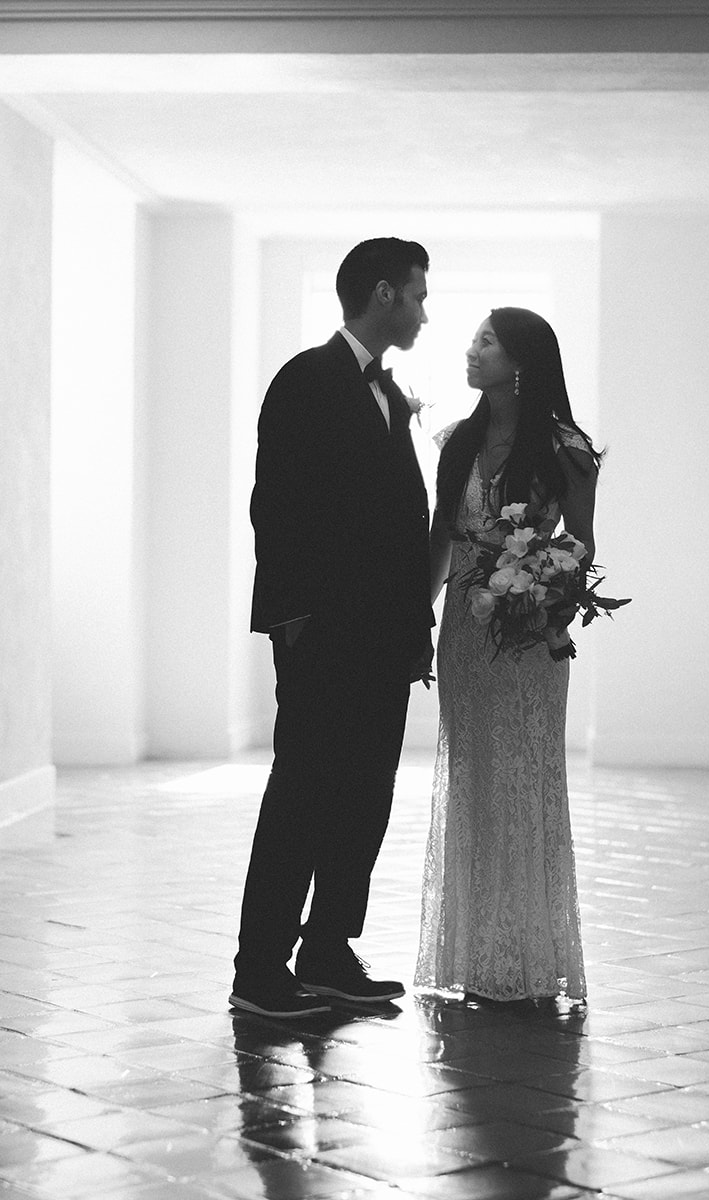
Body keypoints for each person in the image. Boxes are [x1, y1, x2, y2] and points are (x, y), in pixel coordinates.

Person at [231, 238, 436, 1020]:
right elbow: (274, 507)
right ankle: (260, 970)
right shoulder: (306, 379)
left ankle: (327, 951)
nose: (423, 309)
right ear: (383, 294)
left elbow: (398, 522)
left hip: (385, 639)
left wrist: (416, 625)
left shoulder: (387, 391)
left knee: (367, 794)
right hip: (323, 636)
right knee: (303, 793)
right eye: (417, 295)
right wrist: (292, 621)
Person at [415, 307, 601, 1004]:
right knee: (471, 777)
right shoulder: (459, 441)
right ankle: (476, 951)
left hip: (529, 639)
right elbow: (441, 539)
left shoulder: (565, 447)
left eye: (485, 341)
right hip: (464, 632)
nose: (471, 349)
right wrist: (416, 617)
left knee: (525, 779)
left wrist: (540, 592)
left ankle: (525, 957)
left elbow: (581, 548)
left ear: (521, 362)